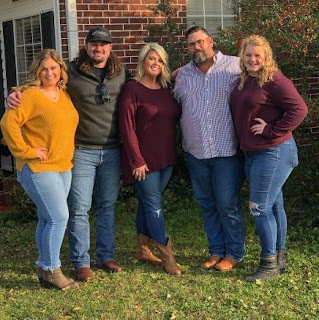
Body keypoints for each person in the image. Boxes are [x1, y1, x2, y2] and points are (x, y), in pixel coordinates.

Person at [7, 27, 131, 282]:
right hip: (81, 152)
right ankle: (80, 262)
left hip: (109, 151)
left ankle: (105, 256)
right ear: (86, 46)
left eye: (104, 44)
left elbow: (145, 87)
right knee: (77, 210)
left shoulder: (120, 74)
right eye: (94, 44)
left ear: (110, 47)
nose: (99, 48)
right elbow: (32, 95)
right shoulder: (72, 72)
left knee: (106, 206)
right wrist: (12, 96)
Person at [230, 35, 308, 282]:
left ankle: (269, 264)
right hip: (253, 152)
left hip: (274, 151)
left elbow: (300, 109)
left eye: (258, 55)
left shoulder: (274, 80)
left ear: (266, 58)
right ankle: (279, 256)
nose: (253, 59)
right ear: (242, 57)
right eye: (248, 54)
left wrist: (270, 130)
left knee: (258, 207)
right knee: (273, 205)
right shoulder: (245, 80)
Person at [1, 49, 79, 290]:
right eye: (44, 68)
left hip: (63, 166)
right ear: (37, 71)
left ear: (60, 71)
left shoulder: (63, 94)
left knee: (47, 219)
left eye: (54, 68)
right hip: (37, 166)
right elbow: (8, 122)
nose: (49, 72)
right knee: (59, 217)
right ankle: (51, 269)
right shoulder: (30, 95)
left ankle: (45, 268)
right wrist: (26, 151)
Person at [173, 26, 245, 272]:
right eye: (192, 44)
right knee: (207, 204)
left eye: (200, 42)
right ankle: (216, 250)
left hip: (226, 152)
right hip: (196, 152)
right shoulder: (182, 75)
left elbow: (264, 78)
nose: (197, 47)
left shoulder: (235, 66)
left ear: (211, 41)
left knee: (227, 204)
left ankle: (234, 252)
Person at [118, 43, 181, 275]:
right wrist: (136, 159)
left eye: (160, 60)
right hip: (142, 161)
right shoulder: (132, 89)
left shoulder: (166, 88)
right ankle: (167, 256)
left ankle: (143, 250)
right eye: (151, 59)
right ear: (143, 61)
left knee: (147, 202)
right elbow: (126, 128)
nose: (156, 63)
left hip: (166, 157)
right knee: (154, 205)